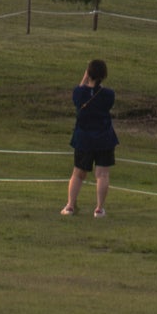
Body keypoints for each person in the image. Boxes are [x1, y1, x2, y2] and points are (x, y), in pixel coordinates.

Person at [62, 58, 117, 219]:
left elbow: (80, 91)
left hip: (84, 138)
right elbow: (105, 100)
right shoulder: (108, 95)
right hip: (104, 138)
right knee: (102, 174)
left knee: (78, 173)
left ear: (88, 73)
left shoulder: (79, 93)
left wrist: (85, 76)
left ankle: (70, 205)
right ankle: (99, 208)